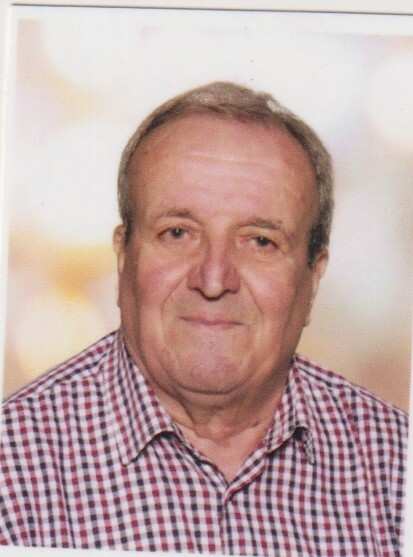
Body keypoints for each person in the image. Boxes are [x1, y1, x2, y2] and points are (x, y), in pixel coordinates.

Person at [0, 82, 408, 556]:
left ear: (313, 277)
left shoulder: (396, 468)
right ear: (123, 257)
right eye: (178, 233)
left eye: (260, 241)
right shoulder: (12, 467)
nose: (214, 280)